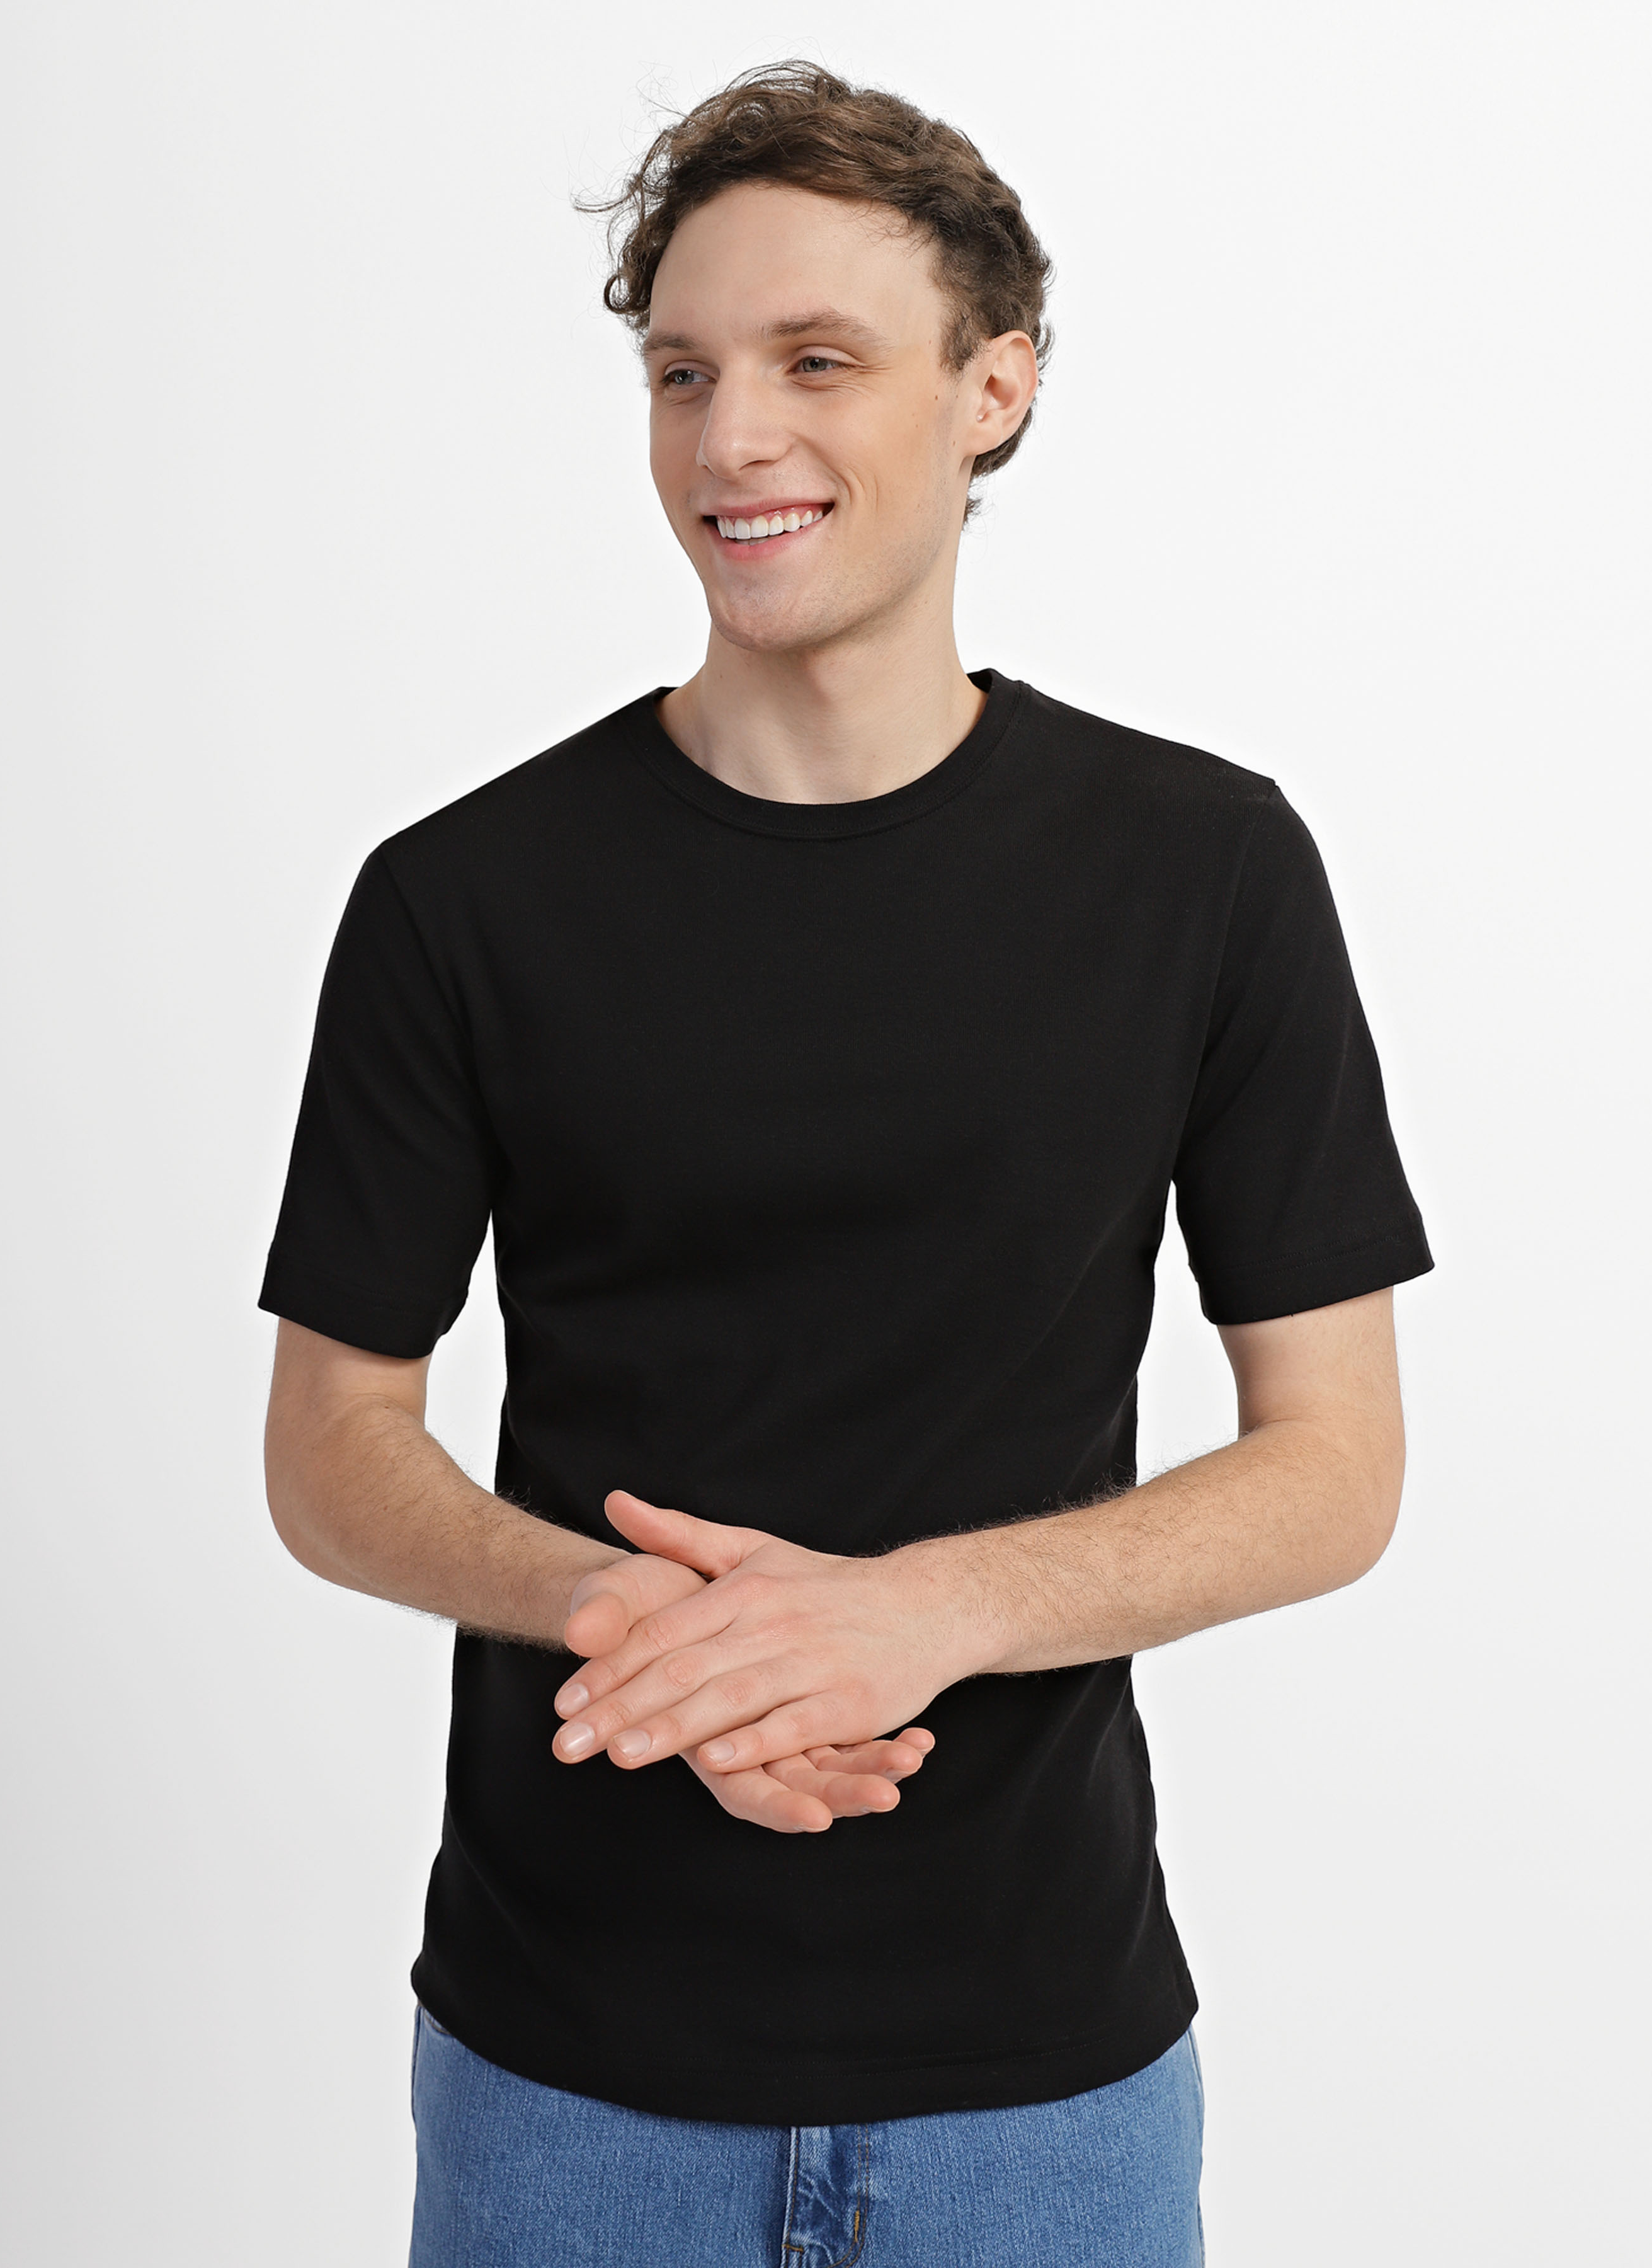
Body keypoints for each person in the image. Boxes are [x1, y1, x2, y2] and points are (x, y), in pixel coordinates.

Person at [260, 60, 1432, 2268]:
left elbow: (1335, 1465)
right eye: (682, 372)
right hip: (564, 2077)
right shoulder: (460, 897)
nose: (732, 439)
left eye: (817, 362)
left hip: (1045, 2086)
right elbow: (330, 1446)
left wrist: (919, 1615)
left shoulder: (1204, 868)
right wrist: (631, 1619)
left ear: (994, 389)